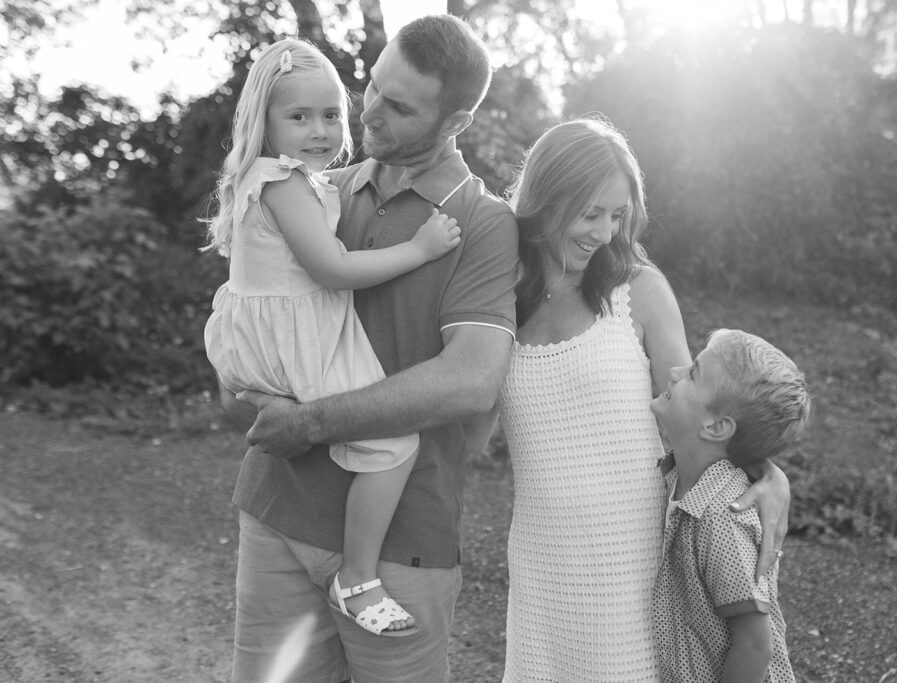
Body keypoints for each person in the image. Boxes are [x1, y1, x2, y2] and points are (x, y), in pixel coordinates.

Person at [217, 17, 518, 683]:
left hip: (399, 546)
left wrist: (309, 421)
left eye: (400, 106)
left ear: (456, 120)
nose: (370, 111)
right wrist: (247, 392)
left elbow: (471, 381)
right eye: (374, 86)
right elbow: (247, 332)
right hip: (278, 513)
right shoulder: (318, 191)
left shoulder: (481, 222)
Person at [496, 117, 791, 682]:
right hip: (541, 559)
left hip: (634, 561)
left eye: (617, 215)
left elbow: (696, 412)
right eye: (590, 213)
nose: (605, 232)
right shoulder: (499, 293)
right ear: (544, 199)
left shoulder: (637, 289)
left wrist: (768, 471)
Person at [649, 328, 810, 682]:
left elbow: (755, 645)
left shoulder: (722, 517)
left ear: (717, 427)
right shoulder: (678, 477)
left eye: (693, 373)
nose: (674, 371)